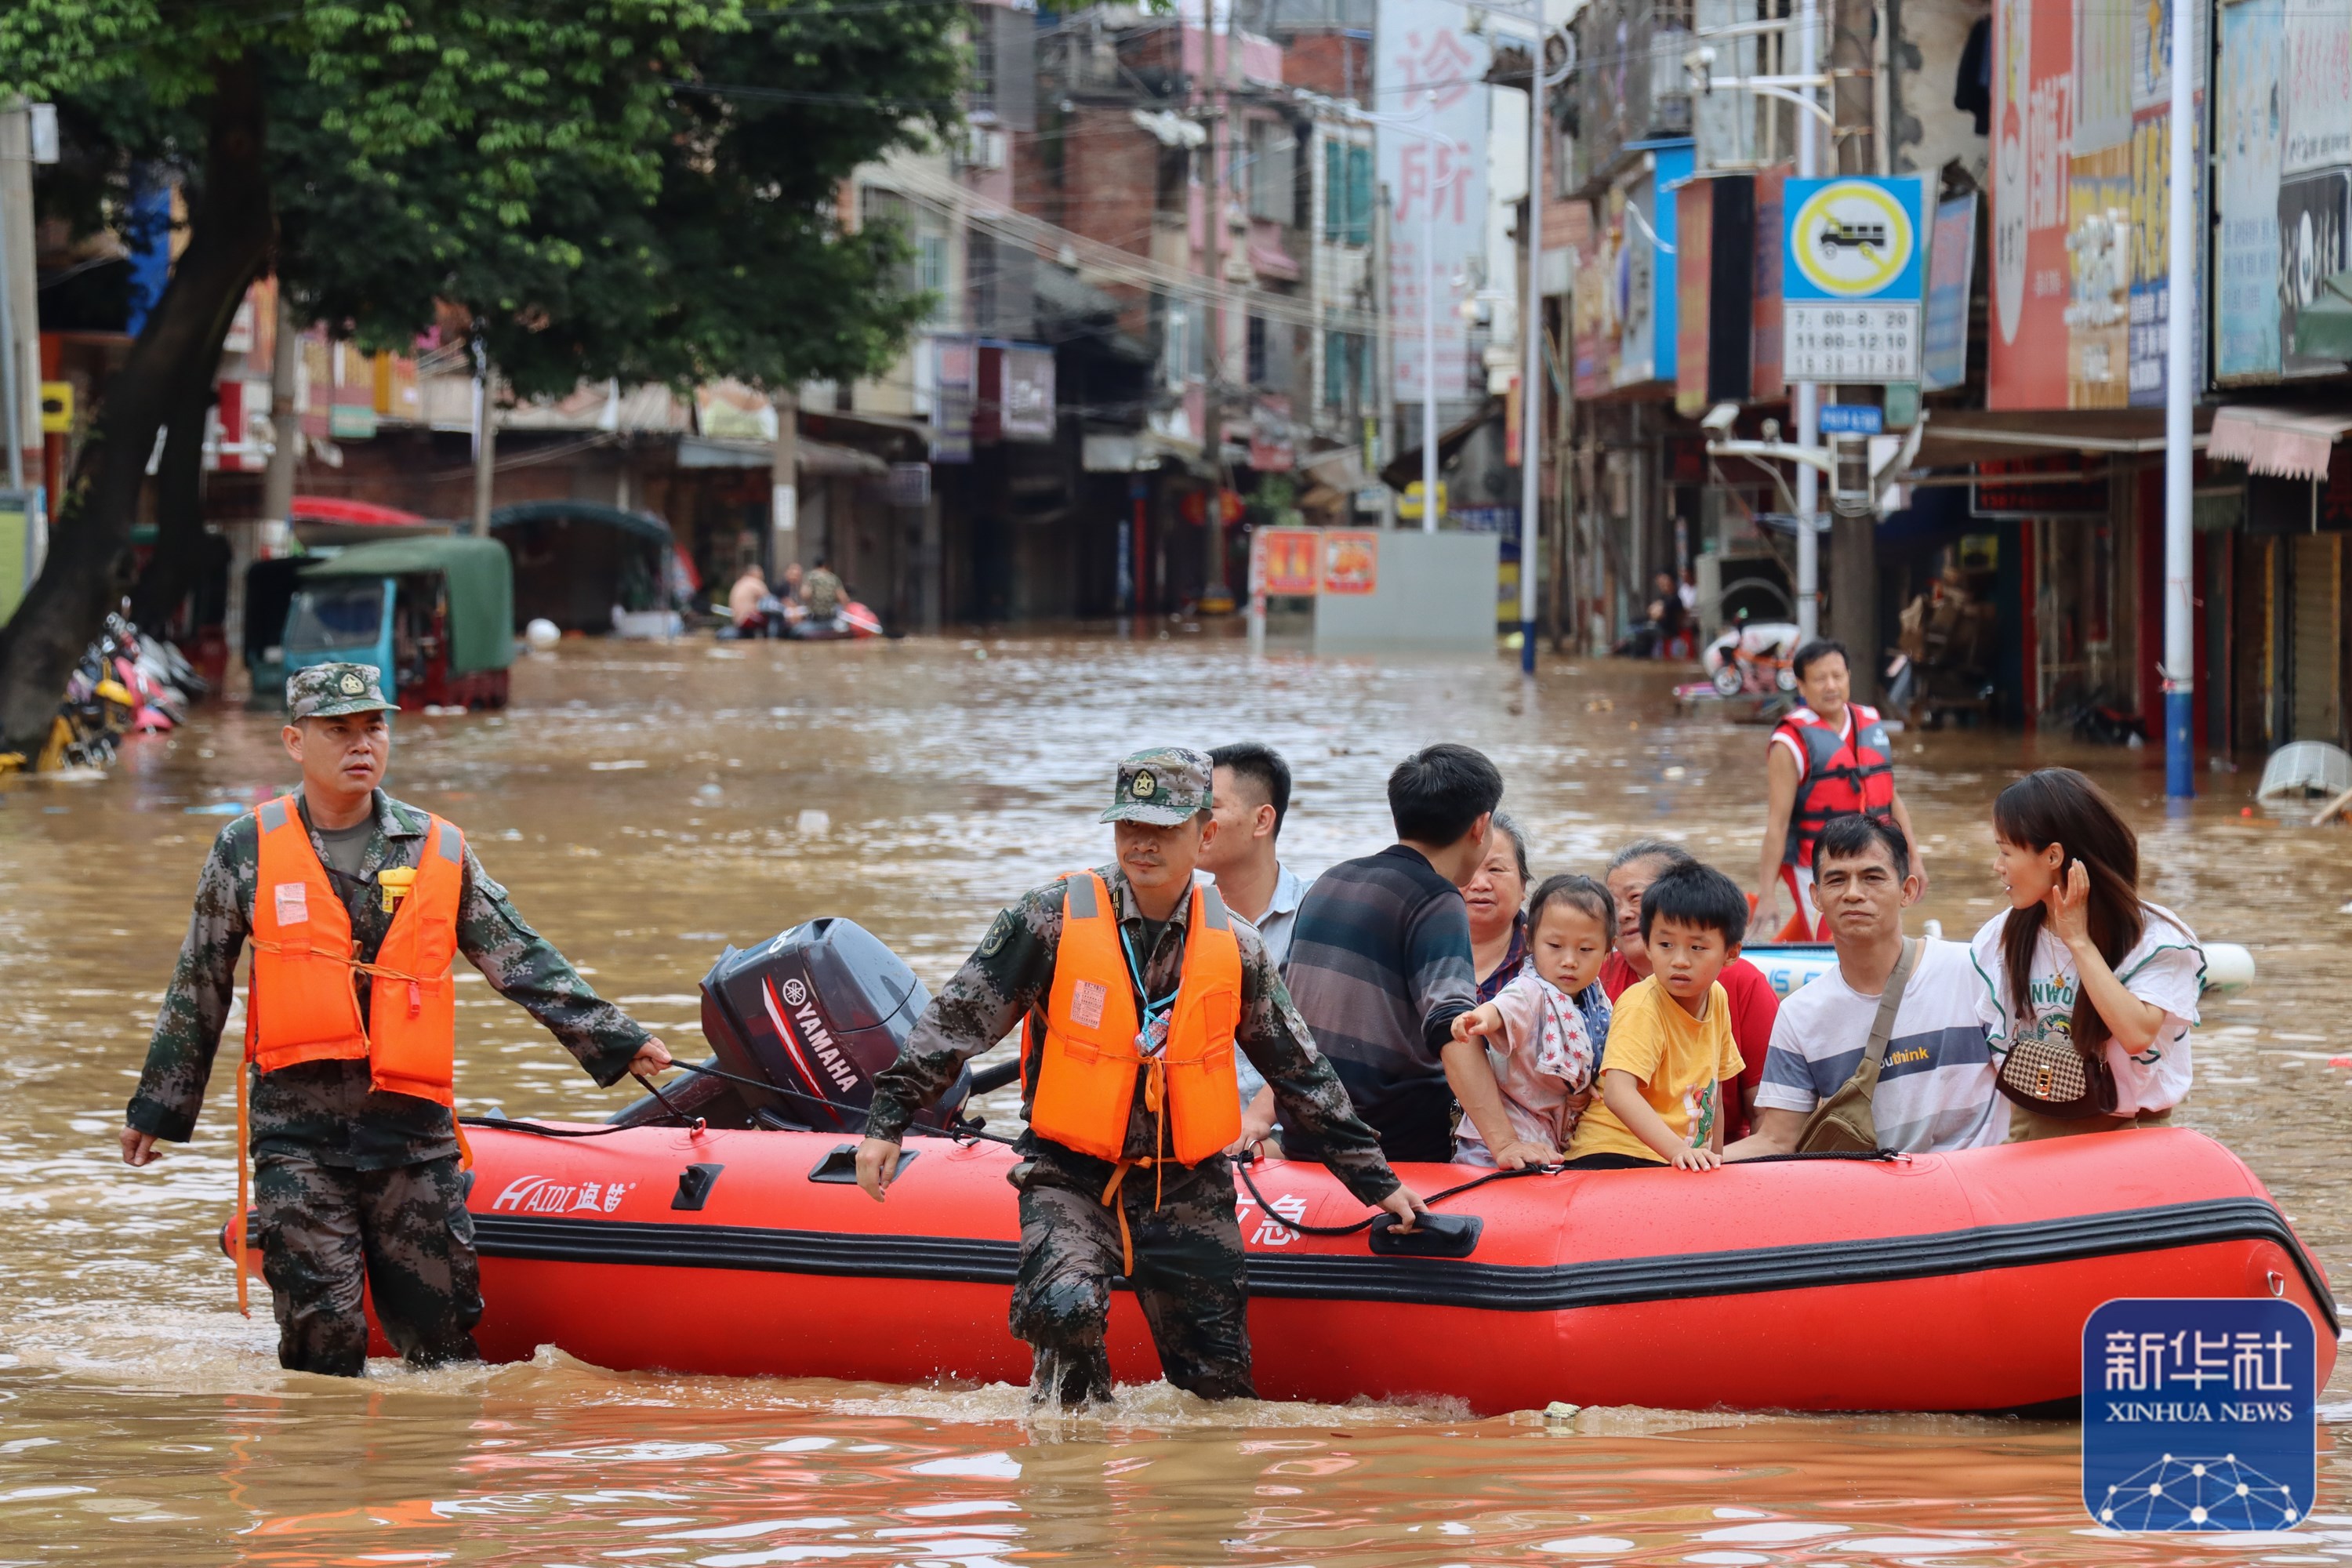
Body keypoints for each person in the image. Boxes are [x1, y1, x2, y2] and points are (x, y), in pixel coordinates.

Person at [119, 664, 672, 1377]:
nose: (361, 744)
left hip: (412, 1132)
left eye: (374, 727)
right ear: (295, 741)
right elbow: (200, 979)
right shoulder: (245, 849)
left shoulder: (437, 846)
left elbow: (519, 956)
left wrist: (618, 1039)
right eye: (338, 730)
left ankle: (420, 1474)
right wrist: (159, 1107)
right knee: (324, 1339)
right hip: (299, 1135)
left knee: (442, 1346)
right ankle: (321, 1481)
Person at [853, 747, 1425, 1407]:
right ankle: (1074, 1465)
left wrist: (1376, 1181)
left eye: (1162, 828)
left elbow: (1301, 1072)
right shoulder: (1048, 920)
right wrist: (888, 1122)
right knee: (1064, 1308)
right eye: (1130, 825)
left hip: (1185, 1184)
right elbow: (955, 1022)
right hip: (1069, 1173)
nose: (1142, 843)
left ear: (1204, 834)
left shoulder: (1238, 948)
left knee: (1220, 1394)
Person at [1727, 814, 2004, 1159]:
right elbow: (1777, 1140)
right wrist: (1673, 1165)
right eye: (1837, 880)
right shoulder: (1800, 1015)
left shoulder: (1973, 971)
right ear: (1816, 896)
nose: (1854, 894)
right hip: (1882, 1196)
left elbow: (2027, 1098)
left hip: (1980, 1184)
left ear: (1908, 890)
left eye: (1872, 878)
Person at [1281, 744, 1499, 1163]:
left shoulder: (1331, 879)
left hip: (1304, 1133)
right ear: (1480, 826)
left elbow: (1286, 1010)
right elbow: (1450, 1026)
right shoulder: (1437, 898)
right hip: (1393, 1146)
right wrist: (1505, 1143)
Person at [1969, 768, 2201, 1141]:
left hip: (2132, 1131)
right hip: (2035, 1125)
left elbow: (2136, 1034)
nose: (1998, 866)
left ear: (2053, 856)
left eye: (2006, 852)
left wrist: (2078, 941)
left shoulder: (2154, 937)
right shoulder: (2002, 936)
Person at [1565, 862, 1748, 1171]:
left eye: (1697, 948)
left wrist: (1714, 1161)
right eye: (1665, 944)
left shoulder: (1718, 997)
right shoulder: (1642, 1005)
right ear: (1648, 945)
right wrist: (1678, 1150)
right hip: (1611, 1153)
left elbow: (1712, 1094)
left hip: (1671, 1158)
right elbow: (1619, 1094)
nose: (1679, 960)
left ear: (1730, 953)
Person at [1600, 840, 1779, 1142]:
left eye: (1635, 898)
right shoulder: (1594, 980)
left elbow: (1767, 1117)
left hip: (1709, 1156)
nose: (1624, 914)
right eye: (1612, 905)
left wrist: (1714, 1162)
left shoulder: (1739, 983)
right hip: (1626, 1152)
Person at [1755, 638, 1926, 941]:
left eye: (1838, 676)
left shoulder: (1870, 722)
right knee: (1839, 937)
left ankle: (1783, 946)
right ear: (1802, 685)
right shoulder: (1789, 742)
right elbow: (1777, 823)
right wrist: (1767, 894)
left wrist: (1914, 857)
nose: (1831, 686)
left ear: (1849, 676)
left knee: (1875, 931)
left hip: (1872, 855)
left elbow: (1890, 798)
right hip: (1815, 862)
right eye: (1820, 679)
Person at [1445, 874, 1614, 1168]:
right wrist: (1480, 1018)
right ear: (1530, 938)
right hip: (1504, 1131)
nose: (1570, 961)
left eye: (1585, 949)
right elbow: (1505, 1008)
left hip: (1551, 1132)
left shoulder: (1597, 1002)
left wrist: (1584, 1091)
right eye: (1555, 945)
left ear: (1609, 948)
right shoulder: (1531, 990)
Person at [1196, 742, 1306, 1157]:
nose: (1192, 822)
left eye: (1210, 808)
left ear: (1262, 820)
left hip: (1288, 1139)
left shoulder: (1320, 918)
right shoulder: (1176, 924)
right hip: (1199, 1137)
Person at [1465, 812, 1533, 1004]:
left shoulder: (1551, 955)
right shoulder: (1413, 954)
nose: (1480, 884)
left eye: (1495, 869)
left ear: (1523, 885)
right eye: (1467, 868)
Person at [801, 557, 845, 622]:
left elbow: (805, 595)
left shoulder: (810, 577)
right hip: (830, 618)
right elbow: (843, 598)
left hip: (814, 618)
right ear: (827, 566)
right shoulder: (833, 578)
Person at [728, 563, 768, 632]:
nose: (763, 576)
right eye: (761, 573)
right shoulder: (755, 582)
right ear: (754, 573)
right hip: (749, 620)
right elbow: (769, 600)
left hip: (737, 620)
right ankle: (774, 637)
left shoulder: (739, 583)